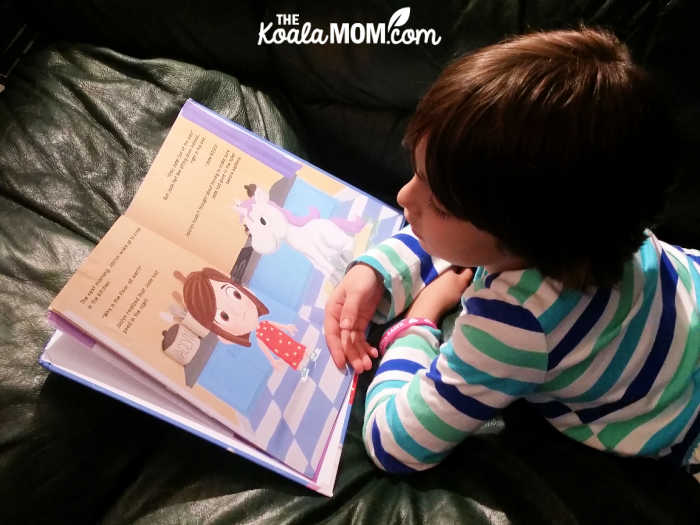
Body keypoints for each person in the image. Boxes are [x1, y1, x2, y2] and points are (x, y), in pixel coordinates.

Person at [323, 26, 700, 477]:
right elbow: (478, 243)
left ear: (523, 232)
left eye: (437, 203)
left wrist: (420, 321)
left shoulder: (514, 325)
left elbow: (395, 444)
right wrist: (380, 269)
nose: (404, 197)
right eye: (417, 173)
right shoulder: (596, 213)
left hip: (682, 422)